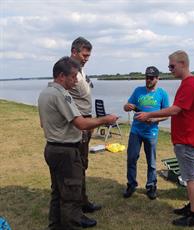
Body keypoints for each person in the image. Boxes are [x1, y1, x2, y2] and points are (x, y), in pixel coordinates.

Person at [38, 56, 118, 229]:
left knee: (58, 193)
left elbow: (42, 123)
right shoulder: (61, 94)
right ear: (61, 76)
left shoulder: (45, 93)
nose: (76, 81)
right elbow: (81, 123)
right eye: (73, 77)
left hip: (52, 148)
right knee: (71, 196)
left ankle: (55, 226)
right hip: (66, 151)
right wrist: (105, 119)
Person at [135, 51, 194, 227]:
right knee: (189, 176)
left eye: (172, 66)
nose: (170, 69)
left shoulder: (190, 84)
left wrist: (149, 114)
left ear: (182, 63)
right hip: (186, 138)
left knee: (191, 177)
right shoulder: (189, 83)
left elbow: (175, 110)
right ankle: (192, 207)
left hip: (188, 139)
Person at [123, 66, 169, 200]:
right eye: (146, 77)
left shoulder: (162, 93)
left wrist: (154, 119)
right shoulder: (138, 90)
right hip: (136, 131)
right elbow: (126, 106)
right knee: (131, 158)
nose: (148, 80)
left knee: (152, 162)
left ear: (157, 78)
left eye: (151, 78)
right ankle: (131, 185)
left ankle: (151, 186)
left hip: (151, 132)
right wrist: (127, 107)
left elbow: (167, 114)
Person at [68, 37, 100, 214]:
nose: (86, 58)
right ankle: (77, 207)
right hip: (78, 124)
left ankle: (82, 200)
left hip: (86, 123)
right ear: (74, 51)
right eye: (84, 55)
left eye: (89, 55)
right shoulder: (67, 71)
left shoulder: (81, 70)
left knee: (83, 164)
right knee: (77, 166)